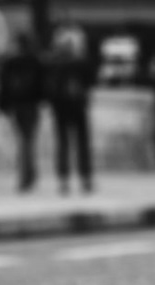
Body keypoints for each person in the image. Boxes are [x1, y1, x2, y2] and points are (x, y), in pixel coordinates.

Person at [42, 24, 95, 195]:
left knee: (64, 144)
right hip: (77, 106)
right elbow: (90, 80)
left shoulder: (56, 64)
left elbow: (49, 88)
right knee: (81, 143)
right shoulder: (79, 63)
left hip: (62, 108)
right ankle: (84, 178)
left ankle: (65, 179)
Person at [0, 31, 44, 193]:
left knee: (23, 141)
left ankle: (26, 175)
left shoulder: (11, 63)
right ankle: (28, 173)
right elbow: (42, 85)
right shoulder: (35, 61)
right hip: (30, 105)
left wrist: (2, 105)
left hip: (18, 105)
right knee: (28, 140)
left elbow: (3, 86)